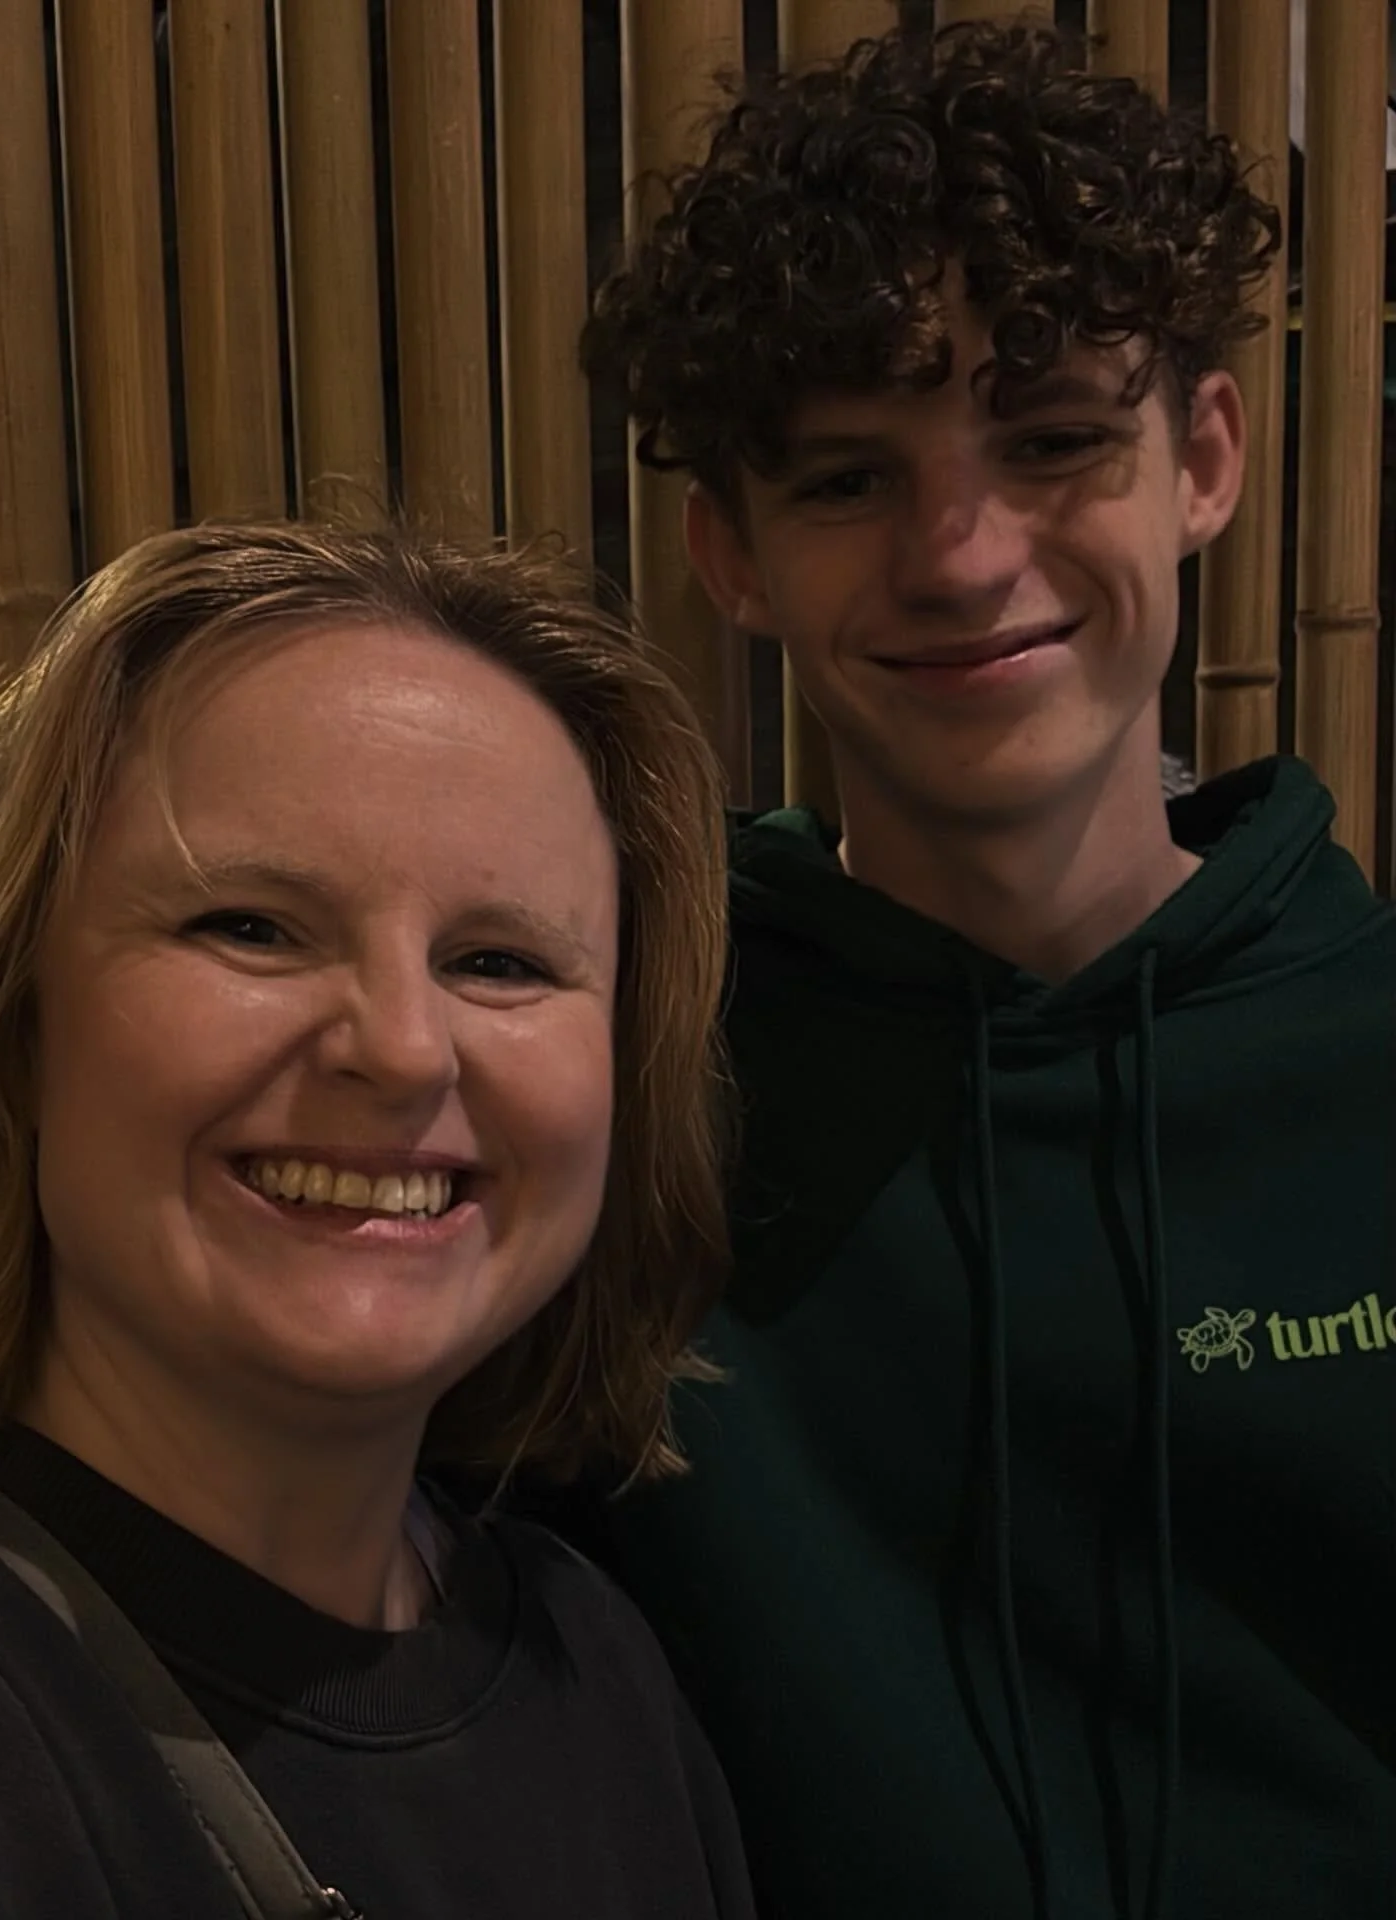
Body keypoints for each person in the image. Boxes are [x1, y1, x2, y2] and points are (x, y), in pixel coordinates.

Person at [578, 19, 1396, 1920]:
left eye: (1049, 443)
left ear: (1202, 458)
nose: (958, 555)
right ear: (733, 553)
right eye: (851, 480)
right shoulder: (612, 1097)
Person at [0, 521, 756, 1919]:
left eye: (499, 961)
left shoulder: (599, 1664)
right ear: (21, 1025)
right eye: (251, 928)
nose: (400, 1049)